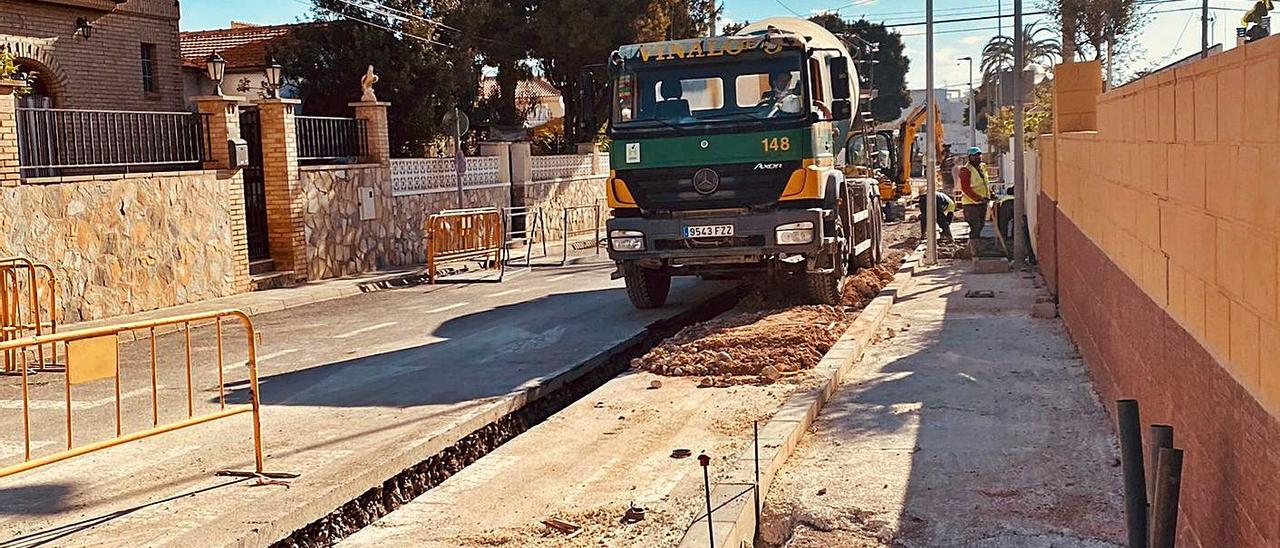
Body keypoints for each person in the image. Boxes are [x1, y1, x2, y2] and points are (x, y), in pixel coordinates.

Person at [957, 146, 993, 238]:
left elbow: (985, 183)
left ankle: (973, 246)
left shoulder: (982, 167)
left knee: (981, 226)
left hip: (982, 203)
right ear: (969, 157)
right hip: (970, 204)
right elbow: (966, 189)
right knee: (975, 227)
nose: (978, 157)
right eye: (975, 156)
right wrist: (979, 198)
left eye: (979, 155)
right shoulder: (965, 170)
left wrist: (991, 193)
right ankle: (974, 249)